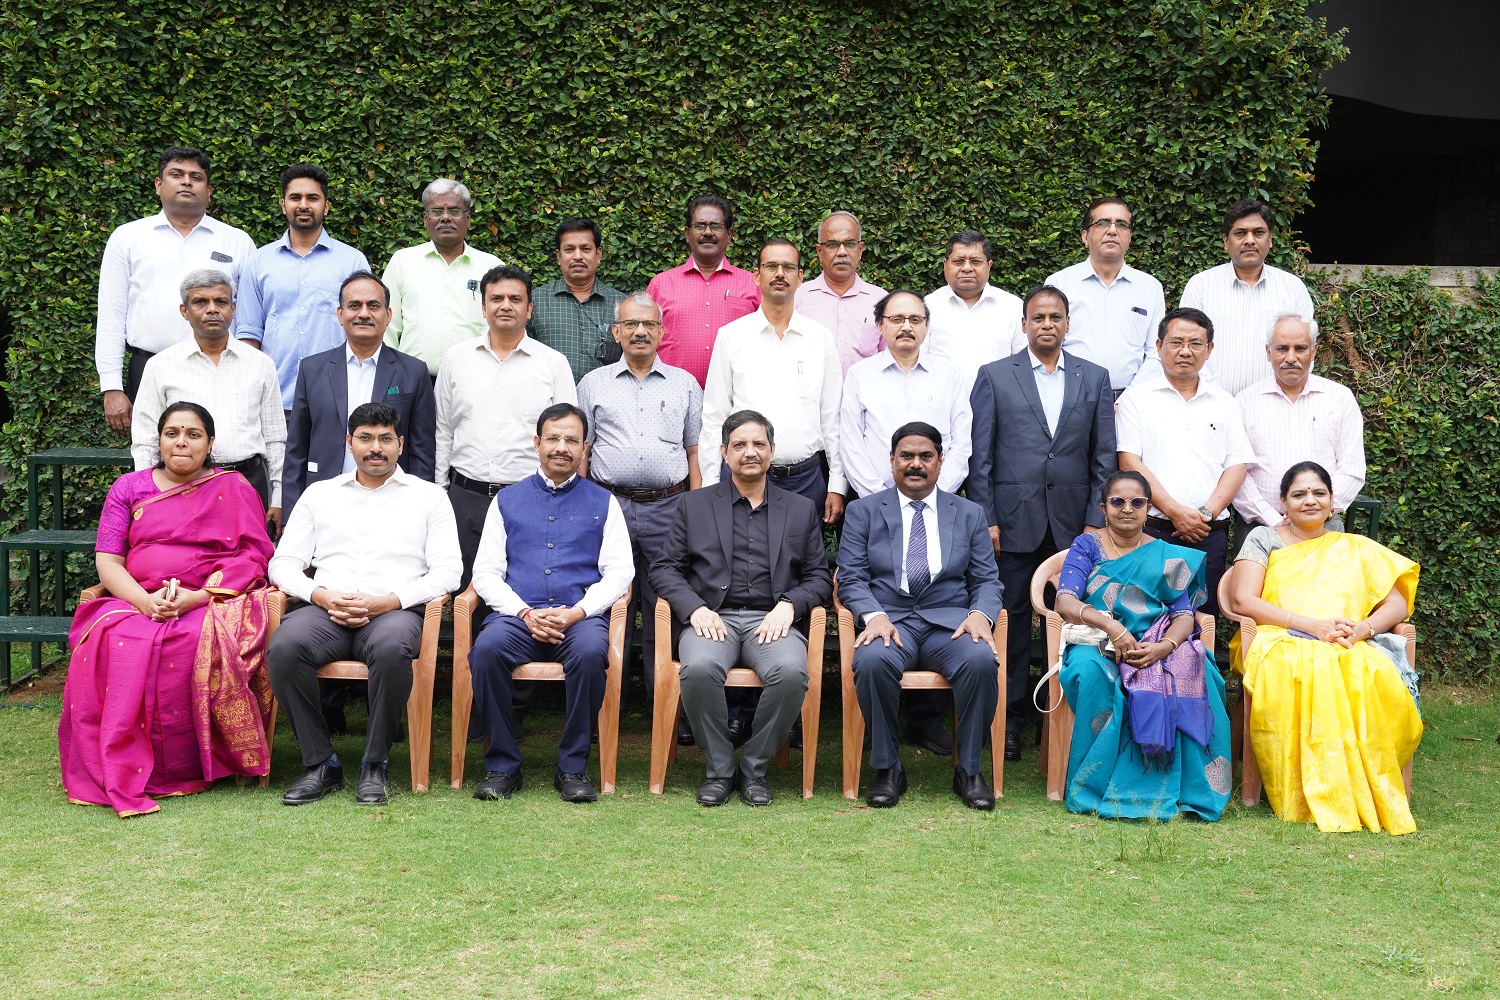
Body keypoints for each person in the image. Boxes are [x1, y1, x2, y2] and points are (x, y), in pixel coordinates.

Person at [60, 401, 276, 817]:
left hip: (207, 599)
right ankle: (123, 763)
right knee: (112, 640)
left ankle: (184, 768)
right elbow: (108, 561)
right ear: (158, 440)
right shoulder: (128, 487)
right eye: (172, 433)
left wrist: (197, 597)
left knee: (191, 640)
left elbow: (252, 557)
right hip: (133, 599)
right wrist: (144, 601)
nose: (181, 442)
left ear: (210, 443)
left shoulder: (232, 488)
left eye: (193, 434)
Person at [267, 402, 461, 806]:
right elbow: (283, 563)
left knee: (392, 650)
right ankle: (321, 763)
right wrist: (321, 595)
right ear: (349, 443)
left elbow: (449, 572)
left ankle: (375, 765)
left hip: (394, 612)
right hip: (327, 610)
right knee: (285, 647)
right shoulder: (320, 495)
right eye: (366, 438)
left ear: (401, 444)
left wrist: (389, 601)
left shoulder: (429, 498)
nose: (377, 448)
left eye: (386, 439)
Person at [651, 410, 832, 807]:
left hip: (772, 619)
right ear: (724, 452)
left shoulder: (800, 508)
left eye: (758, 445)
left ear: (772, 451)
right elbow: (664, 568)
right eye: (740, 445)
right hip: (712, 618)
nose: (750, 452)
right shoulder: (693, 505)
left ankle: (754, 768)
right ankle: (719, 769)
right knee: (698, 669)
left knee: (789, 672)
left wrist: (790, 606)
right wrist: (695, 609)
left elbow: (820, 577)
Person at [1230, 461, 1421, 835]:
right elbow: (1243, 600)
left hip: (1345, 639)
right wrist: (1312, 626)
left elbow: (1398, 605)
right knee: (1314, 667)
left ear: (1333, 502)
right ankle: (1312, 787)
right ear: (1283, 502)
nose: (1310, 501)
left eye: (1319, 493)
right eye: (1299, 494)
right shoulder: (1263, 538)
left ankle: (1357, 783)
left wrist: (1363, 629)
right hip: (1280, 637)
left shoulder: (1354, 546)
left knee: (1369, 671)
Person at [967, 285, 1116, 762]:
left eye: (1056, 316)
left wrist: (1096, 521)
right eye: (1038, 317)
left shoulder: (1094, 379)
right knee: (1009, 625)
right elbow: (981, 456)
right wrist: (986, 517)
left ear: (1068, 323)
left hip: (1075, 527)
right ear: (1024, 324)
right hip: (1012, 524)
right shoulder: (994, 376)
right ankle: (1008, 720)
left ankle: (1070, 722)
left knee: (1076, 626)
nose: (1047, 324)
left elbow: (1104, 457)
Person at [467, 404, 634, 803]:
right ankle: (502, 764)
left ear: (585, 448)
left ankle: (573, 766)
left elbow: (619, 572)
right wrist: (524, 612)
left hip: (579, 618)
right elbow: (486, 573)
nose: (562, 447)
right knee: (486, 651)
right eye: (553, 439)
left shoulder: (604, 501)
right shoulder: (506, 500)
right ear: (537, 443)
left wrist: (578, 612)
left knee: (593, 652)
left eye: (571, 440)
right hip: (517, 617)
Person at [837, 422, 1003, 811]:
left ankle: (969, 770)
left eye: (925, 456)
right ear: (891, 461)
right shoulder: (863, 512)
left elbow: (987, 579)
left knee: (980, 661)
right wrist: (873, 616)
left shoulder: (968, 513)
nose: (916, 464)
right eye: (906, 456)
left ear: (941, 461)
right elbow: (852, 578)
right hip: (890, 621)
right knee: (873, 661)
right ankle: (888, 768)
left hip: (950, 624)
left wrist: (980, 615)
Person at [1052, 470, 1232, 821]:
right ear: (1104, 507)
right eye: (1118, 501)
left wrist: (1164, 646)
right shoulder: (1087, 545)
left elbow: (1184, 615)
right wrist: (1111, 625)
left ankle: (1190, 791)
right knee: (1092, 674)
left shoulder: (1167, 555)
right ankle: (1097, 787)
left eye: (1137, 502)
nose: (1127, 509)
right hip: (1100, 642)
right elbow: (1065, 601)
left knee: (1201, 672)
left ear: (1148, 509)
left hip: (1157, 642)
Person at [576, 291, 702, 711]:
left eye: (649, 324)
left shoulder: (685, 384)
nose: (640, 332)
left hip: (670, 508)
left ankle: (665, 706)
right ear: (616, 332)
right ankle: (605, 707)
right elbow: (583, 452)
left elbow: (694, 452)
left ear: (662, 332)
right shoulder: (593, 384)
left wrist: (698, 509)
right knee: (609, 602)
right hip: (608, 506)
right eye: (630, 324)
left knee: (665, 603)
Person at [95, 145, 256, 433]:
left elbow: (249, 318)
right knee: (153, 457)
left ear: (209, 190)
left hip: (219, 369)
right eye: (176, 174)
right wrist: (111, 387)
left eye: (196, 177)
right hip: (149, 367)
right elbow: (111, 314)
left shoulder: (237, 241)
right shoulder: (128, 238)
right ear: (159, 185)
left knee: (223, 454)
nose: (186, 182)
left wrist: (246, 375)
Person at [434, 264, 577, 584]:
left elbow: (568, 439)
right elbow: (442, 429)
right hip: (465, 497)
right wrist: (440, 491)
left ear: (529, 309)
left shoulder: (553, 364)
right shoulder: (456, 358)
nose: (505, 305)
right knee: (466, 595)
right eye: (496, 298)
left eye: (515, 298)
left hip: (532, 499)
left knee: (529, 590)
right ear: (483, 307)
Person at [1117, 307, 1254, 615]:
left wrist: (1205, 514)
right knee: (1147, 621)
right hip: (1152, 532)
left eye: (1195, 344)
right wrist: (1175, 512)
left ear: (1210, 350)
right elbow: (1129, 461)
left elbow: (1237, 464)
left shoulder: (1225, 402)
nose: (1185, 351)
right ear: (1159, 346)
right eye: (1176, 342)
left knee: (1202, 622)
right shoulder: (1136, 400)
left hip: (1209, 534)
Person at [700, 239, 845, 525]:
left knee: (801, 566)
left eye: (788, 267)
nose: (780, 274)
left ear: (800, 276)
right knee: (741, 565)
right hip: (743, 478)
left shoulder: (819, 339)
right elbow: (715, 414)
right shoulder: (732, 337)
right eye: (771, 266)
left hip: (805, 480)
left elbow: (833, 417)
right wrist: (710, 481)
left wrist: (837, 484)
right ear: (756, 275)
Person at [130, 269, 285, 522]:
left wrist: (278, 498)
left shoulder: (261, 364)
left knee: (249, 559)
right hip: (181, 486)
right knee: (185, 559)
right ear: (185, 311)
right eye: (200, 302)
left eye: (221, 301)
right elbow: (145, 439)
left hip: (249, 482)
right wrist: (150, 494)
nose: (212, 309)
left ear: (233, 308)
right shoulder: (161, 365)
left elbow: (276, 439)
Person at [283, 270, 436, 518]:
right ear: (340, 315)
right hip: (325, 500)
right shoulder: (312, 369)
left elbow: (423, 452)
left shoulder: (414, 372)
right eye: (354, 305)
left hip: (393, 502)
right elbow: (296, 448)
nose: (364, 313)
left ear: (388, 316)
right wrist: (291, 514)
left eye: (373, 306)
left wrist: (420, 511)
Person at [235, 164, 371, 414]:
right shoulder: (258, 262)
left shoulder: (352, 262)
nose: (304, 205)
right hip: (274, 398)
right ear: (283, 205)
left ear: (326, 206)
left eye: (313, 198)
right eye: (295, 197)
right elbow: (248, 334)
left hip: (337, 398)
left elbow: (365, 332)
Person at [1234, 314, 1365, 528]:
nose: (1291, 357)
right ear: (1269, 352)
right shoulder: (1245, 402)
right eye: (1282, 348)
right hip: (1262, 526)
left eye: (1300, 348)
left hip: (1324, 524)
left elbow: (1352, 469)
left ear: (1313, 351)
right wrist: (1274, 520)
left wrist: (1316, 512)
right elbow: (1237, 472)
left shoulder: (1339, 398)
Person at [840, 289, 971, 500]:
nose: (906, 327)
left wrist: (938, 494)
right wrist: (879, 497)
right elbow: (850, 443)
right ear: (880, 325)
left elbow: (961, 441)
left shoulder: (949, 374)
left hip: (938, 502)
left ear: (927, 326)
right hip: (876, 501)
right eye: (896, 319)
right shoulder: (860, 375)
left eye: (915, 320)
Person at [1179, 198, 1315, 396]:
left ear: (1270, 240)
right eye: (1240, 233)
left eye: (1258, 233)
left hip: (1275, 405)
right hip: (1210, 404)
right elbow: (1187, 346)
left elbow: (1305, 351)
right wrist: (1215, 396)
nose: (1250, 240)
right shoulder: (1201, 286)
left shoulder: (1292, 288)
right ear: (1226, 241)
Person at [1045, 196, 1165, 398]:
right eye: (1102, 223)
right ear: (1085, 236)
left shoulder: (1150, 288)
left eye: (1121, 224)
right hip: (1072, 399)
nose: (1112, 230)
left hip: (1135, 402)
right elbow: (1049, 346)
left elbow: (1156, 353)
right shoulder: (1059, 284)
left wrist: (1129, 399)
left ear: (1130, 237)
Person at [382, 178, 504, 376]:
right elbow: (387, 324)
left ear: (468, 218)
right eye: (437, 211)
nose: (445, 218)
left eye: (454, 211)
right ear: (425, 218)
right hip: (412, 380)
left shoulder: (491, 267)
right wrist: (391, 373)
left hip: (476, 377)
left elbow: (502, 326)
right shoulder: (402, 261)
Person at [645, 194, 760, 386]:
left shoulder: (752, 284)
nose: (707, 232)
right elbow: (645, 341)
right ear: (687, 233)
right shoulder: (660, 284)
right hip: (672, 395)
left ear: (730, 234)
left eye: (715, 226)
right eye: (699, 226)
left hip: (737, 396)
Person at [527, 217, 626, 383]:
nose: (577, 256)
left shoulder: (621, 305)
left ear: (598, 254)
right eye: (569, 249)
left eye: (586, 249)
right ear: (558, 256)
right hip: (551, 404)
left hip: (604, 403)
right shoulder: (535, 302)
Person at [923, 230, 1025, 390]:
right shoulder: (927, 307)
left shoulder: (1013, 307)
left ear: (989, 265)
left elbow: (1023, 363)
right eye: (958, 261)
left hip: (998, 406)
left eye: (976, 262)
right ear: (945, 264)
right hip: (940, 404)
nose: (967, 268)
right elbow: (916, 361)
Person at [794, 211, 886, 373]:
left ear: (860, 249)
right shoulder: (798, 298)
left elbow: (890, 358)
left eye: (850, 244)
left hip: (864, 397)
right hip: (813, 397)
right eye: (832, 245)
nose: (842, 252)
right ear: (820, 251)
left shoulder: (881, 301)